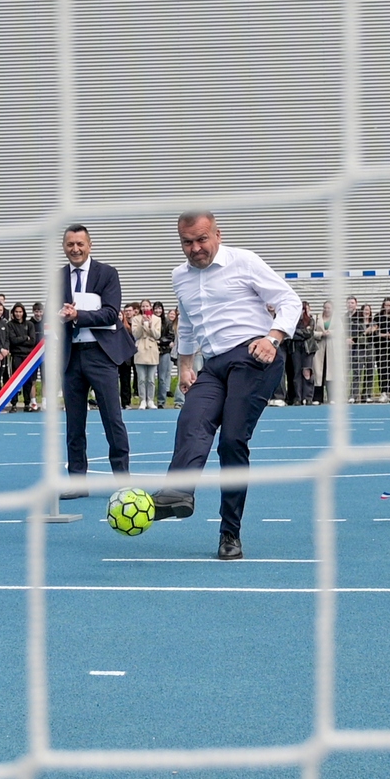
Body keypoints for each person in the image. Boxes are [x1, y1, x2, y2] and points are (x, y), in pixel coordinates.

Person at [152, 212, 300, 561]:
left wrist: (273, 338)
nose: (195, 248)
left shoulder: (243, 261)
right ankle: (178, 493)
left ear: (217, 234)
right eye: (187, 242)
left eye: (202, 239)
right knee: (192, 419)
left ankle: (230, 533)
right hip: (213, 364)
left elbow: (289, 300)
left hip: (253, 355)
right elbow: (188, 323)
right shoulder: (180, 276)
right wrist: (185, 365)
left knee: (232, 441)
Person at [56, 225, 133, 497]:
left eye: (80, 244)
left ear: (89, 245)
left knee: (112, 419)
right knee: (74, 424)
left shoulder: (107, 273)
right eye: (70, 244)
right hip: (71, 356)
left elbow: (111, 313)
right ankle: (77, 482)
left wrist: (78, 315)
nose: (75, 249)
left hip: (101, 355)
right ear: (64, 247)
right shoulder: (58, 277)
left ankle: (122, 479)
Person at [6, 303, 39, 411]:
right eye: (16, 312)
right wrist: (25, 337)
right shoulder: (10, 325)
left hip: (28, 356)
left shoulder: (29, 324)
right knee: (15, 380)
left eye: (20, 312)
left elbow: (32, 341)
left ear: (23, 312)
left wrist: (20, 340)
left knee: (28, 380)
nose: (18, 314)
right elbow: (13, 341)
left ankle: (27, 403)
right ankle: (14, 404)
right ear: (13, 313)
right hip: (16, 356)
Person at [131, 300, 162, 410]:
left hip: (152, 348)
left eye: (147, 306)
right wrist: (142, 323)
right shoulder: (136, 319)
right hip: (140, 348)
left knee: (151, 379)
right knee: (141, 378)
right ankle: (142, 400)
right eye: (143, 306)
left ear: (150, 307)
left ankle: (150, 400)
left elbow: (157, 335)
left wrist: (150, 325)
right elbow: (136, 334)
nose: (145, 308)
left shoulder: (157, 319)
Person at [287, 302, 315, 405]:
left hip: (308, 349)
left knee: (307, 372)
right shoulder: (292, 321)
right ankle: (298, 397)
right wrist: (301, 332)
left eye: (304, 309)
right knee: (297, 373)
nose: (303, 311)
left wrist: (298, 332)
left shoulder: (311, 320)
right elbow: (291, 334)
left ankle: (308, 397)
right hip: (295, 348)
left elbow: (309, 334)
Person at [314, 301, 333, 403]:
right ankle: (317, 397)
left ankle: (332, 397)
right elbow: (311, 332)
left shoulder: (337, 319)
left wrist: (331, 332)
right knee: (318, 373)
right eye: (325, 307)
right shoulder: (317, 318)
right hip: (319, 348)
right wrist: (321, 334)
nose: (326, 310)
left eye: (329, 308)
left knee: (331, 373)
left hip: (331, 349)